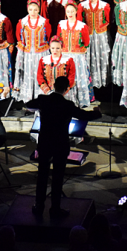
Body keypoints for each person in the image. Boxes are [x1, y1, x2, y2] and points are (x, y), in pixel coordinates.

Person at [27, 76, 102, 218]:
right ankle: (55, 209)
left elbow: (29, 104)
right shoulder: (68, 105)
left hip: (44, 143)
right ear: (67, 89)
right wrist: (97, 112)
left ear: (53, 85)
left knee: (42, 176)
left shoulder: (44, 100)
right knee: (57, 177)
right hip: (60, 144)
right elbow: (84, 115)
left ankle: (39, 206)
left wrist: (40, 104)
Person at [14, 0, 53, 102]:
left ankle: (41, 97)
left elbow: (48, 36)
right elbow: (18, 36)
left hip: (41, 53)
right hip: (27, 54)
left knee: (41, 74)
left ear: (39, 10)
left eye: (35, 9)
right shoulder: (22, 22)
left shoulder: (44, 22)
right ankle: (29, 99)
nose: (33, 12)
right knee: (28, 74)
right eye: (31, 9)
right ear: (27, 9)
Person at [57, 1, 92, 107]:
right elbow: (58, 39)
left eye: (72, 11)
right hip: (65, 56)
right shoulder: (61, 24)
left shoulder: (82, 26)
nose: (70, 13)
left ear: (76, 11)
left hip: (77, 57)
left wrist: (80, 50)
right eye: (68, 11)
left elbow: (86, 42)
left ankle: (79, 101)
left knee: (78, 78)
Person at [79, 0, 111, 89]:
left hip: (100, 35)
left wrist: (101, 27)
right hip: (88, 35)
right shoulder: (82, 5)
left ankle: (101, 82)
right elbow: (80, 21)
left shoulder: (104, 5)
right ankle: (89, 80)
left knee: (100, 56)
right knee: (89, 56)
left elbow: (107, 20)